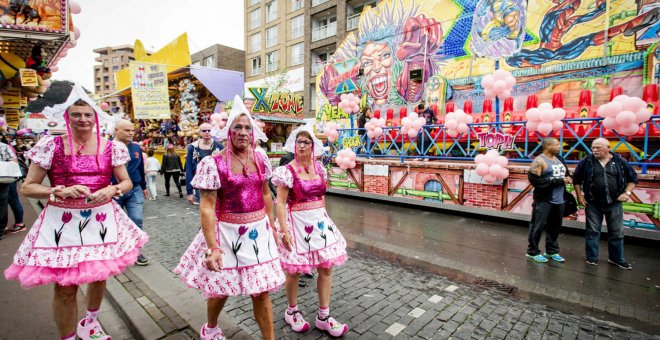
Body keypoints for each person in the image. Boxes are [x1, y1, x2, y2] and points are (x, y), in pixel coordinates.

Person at [4, 83, 148, 340]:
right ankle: (68, 337)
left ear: (95, 117)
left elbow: (126, 182)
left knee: (99, 276)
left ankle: (90, 322)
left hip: (101, 219)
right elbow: (27, 187)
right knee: (65, 287)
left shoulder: (111, 147)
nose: (82, 119)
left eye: (87, 114)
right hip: (63, 222)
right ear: (67, 117)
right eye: (76, 115)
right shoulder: (51, 146)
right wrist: (57, 190)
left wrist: (112, 191)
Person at [174, 96, 284, 340]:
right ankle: (211, 327)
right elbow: (207, 207)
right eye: (238, 127)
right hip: (227, 234)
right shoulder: (212, 164)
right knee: (219, 289)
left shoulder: (260, 158)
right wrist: (212, 247)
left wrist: (273, 228)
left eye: (247, 128)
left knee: (262, 291)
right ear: (228, 132)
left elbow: (266, 194)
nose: (243, 132)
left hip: (258, 233)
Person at [272, 123, 349, 336]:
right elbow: (280, 203)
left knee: (326, 268)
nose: (302, 145)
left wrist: (325, 218)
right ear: (294, 145)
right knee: (295, 271)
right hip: (296, 223)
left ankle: (324, 316)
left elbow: (321, 196)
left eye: (307, 141)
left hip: (318, 223)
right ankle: (292, 311)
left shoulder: (319, 168)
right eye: (299, 141)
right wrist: (284, 231)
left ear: (314, 145)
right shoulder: (286, 171)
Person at [573, 138, 638, 269]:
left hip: (614, 203)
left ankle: (616, 259)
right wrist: (579, 196)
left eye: (598, 147)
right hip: (593, 203)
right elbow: (576, 180)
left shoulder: (619, 161)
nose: (594, 150)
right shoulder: (586, 161)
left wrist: (627, 193)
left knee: (617, 232)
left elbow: (633, 179)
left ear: (608, 148)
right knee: (592, 231)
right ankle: (591, 257)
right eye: (593, 148)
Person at [526, 138, 571, 263]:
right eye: (557, 144)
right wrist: (558, 181)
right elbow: (535, 181)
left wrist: (568, 179)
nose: (559, 147)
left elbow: (565, 174)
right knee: (538, 226)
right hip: (544, 200)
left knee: (555, 227)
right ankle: (532, 252)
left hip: (560, 199)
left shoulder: (560, 159)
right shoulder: (539, 161)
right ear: (548, 146)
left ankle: (551, 251)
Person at [113, 119, 150, 266]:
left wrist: (144, 186)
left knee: (137, 218)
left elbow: (140, 168)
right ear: (116, 130)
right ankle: (116, 250)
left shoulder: (136, 148)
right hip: (115, 190)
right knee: (115, 223)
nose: (130, 133)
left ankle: (137, 251)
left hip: (134, 189)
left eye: (132, 130)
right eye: (127, 130)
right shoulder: (107, 147)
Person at [185, 122, 223, 205]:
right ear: (200, 132)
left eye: (209, 130)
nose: (207, 132)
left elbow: (225, 168)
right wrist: (189, 191)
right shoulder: (193, 147)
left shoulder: (219, 146)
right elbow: (188, 169)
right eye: (204, 130)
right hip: (200, 186)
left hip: (216, 185)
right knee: (204, 211)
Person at [0, 140, 17, 240]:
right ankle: (1, 229)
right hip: (3, 178)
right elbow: (14, 161)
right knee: (2, 204)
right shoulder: (4, 146)